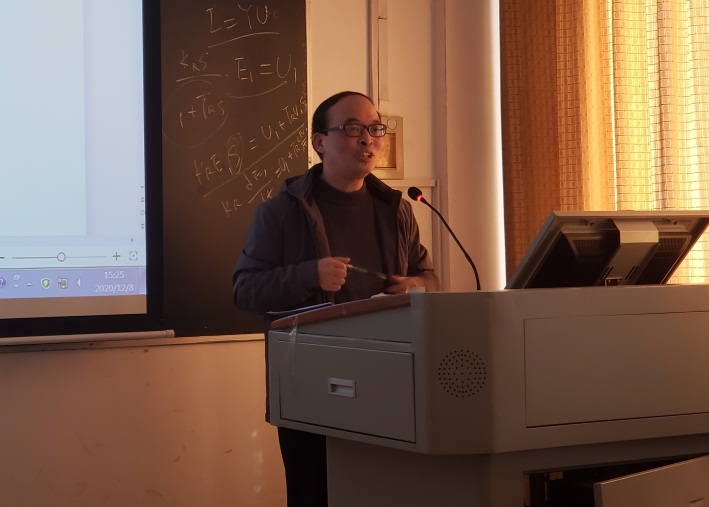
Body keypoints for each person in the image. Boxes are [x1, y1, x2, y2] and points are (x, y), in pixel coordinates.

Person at [232, 90, 438, 506]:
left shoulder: (396, 209)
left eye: (375, 129)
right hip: (311, 389)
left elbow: (429, 277)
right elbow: (245, 289)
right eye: (352, 128)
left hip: (388, 382)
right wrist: (309, 274)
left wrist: (416, 285)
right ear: (320, 142)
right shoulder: (281, 212)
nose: (368, 139)